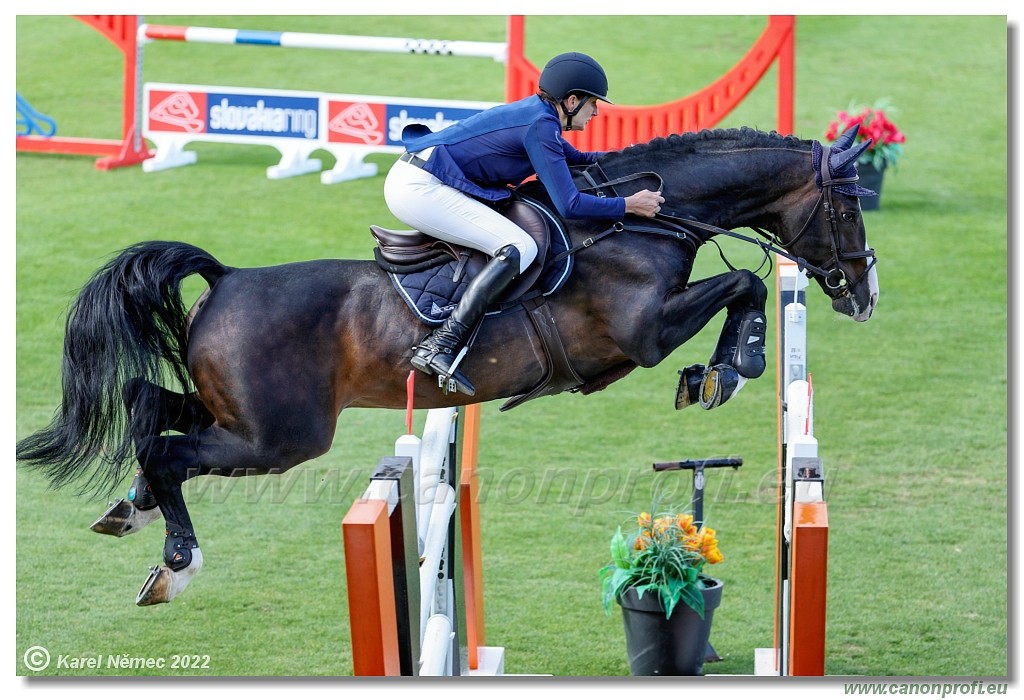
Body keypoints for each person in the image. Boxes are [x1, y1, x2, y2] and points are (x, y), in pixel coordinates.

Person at [384, 51, 664, 395]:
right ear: (571, 101)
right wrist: (628, 205)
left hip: (423, 177)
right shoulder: (539, 125)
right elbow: (570, 204)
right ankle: (439, 344)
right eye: (593, 104)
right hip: (418, 188)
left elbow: (579, 160)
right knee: (518, 246)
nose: (596, 112)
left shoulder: (540, 116)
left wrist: (640, 157)